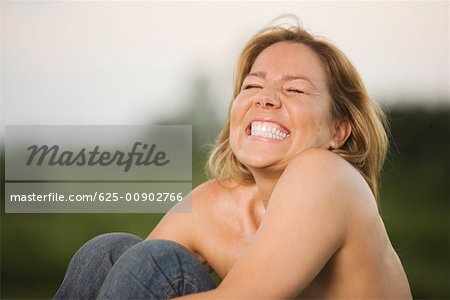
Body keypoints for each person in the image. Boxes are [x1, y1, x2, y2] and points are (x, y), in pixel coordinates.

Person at [54, 16, 412, 299]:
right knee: (108, 252)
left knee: (156, 262)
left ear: (339, 131)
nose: (266, 98)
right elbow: (127, 278)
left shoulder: (327, 175)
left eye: (295, 89)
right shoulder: (215, 206)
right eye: (253, 85)